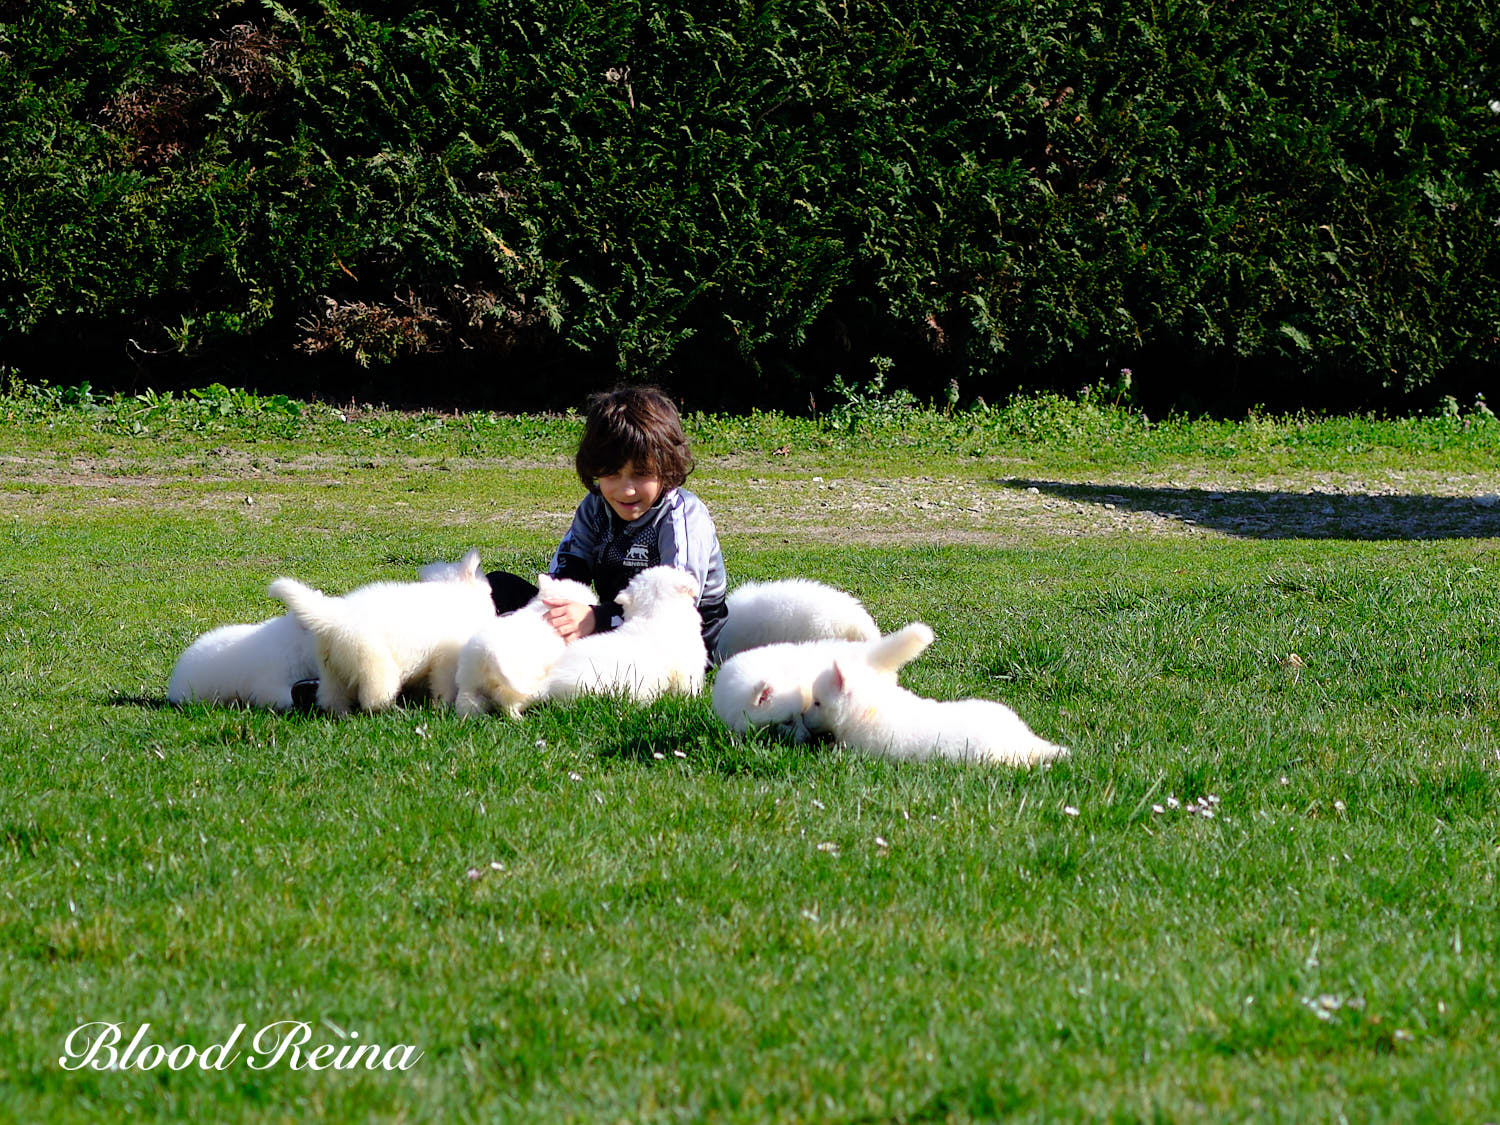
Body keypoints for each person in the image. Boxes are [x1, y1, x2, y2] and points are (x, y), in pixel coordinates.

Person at [486, 384, 728, 657]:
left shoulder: (682, 515)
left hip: (678, 640)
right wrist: (556, 610)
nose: (626, 489)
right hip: (612, 623)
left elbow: (675, 608)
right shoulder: (594, 506)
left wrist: (597, 620)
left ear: (667, 467)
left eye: (641, 473)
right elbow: (566, 573)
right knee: (496, 587)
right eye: (612, 474)